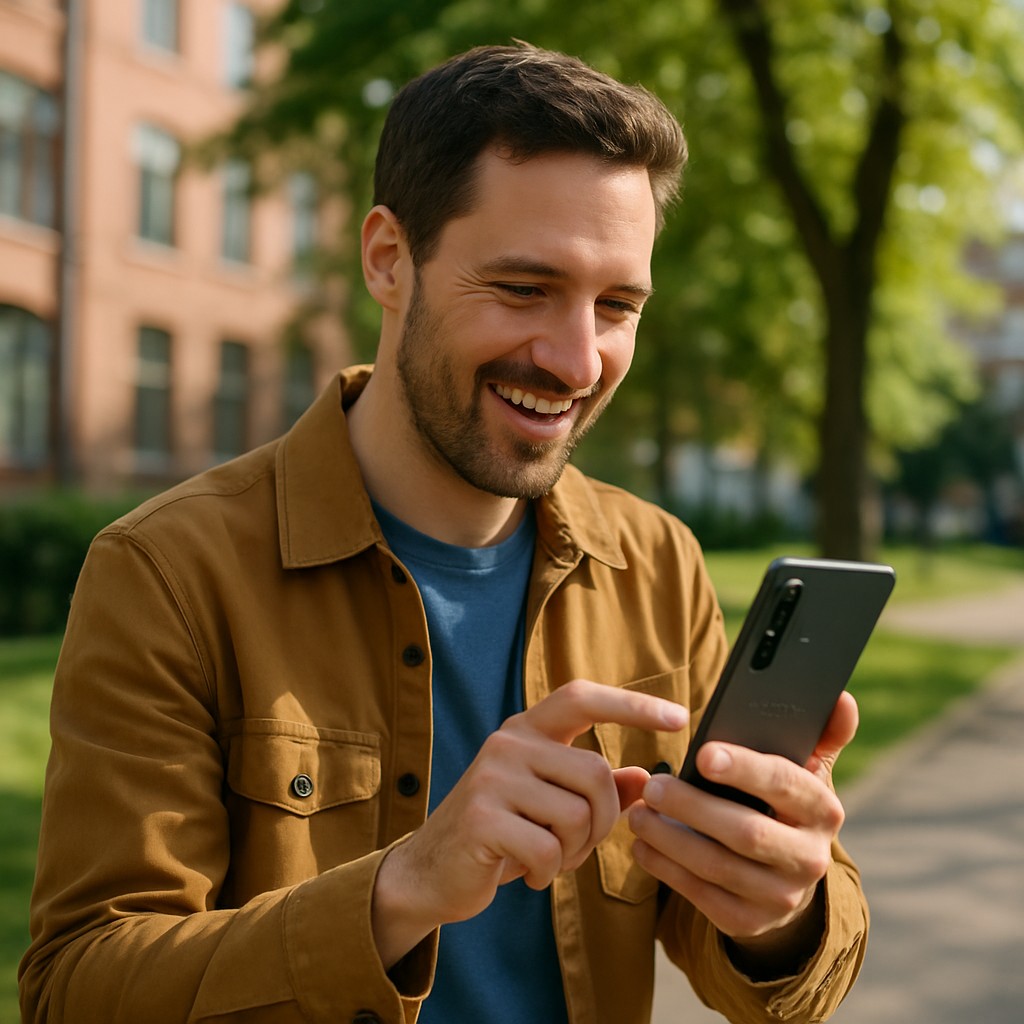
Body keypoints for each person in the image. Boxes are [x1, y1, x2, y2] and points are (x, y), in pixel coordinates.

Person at [20, 43, 867, 1024]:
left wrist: (778, 909)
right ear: (388, 259)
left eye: (617, 305)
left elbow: (768, 977)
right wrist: (403, 887)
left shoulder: (656, 563)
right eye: (521, 289)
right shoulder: (169, 572)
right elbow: (76, 988)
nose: (575, 357)